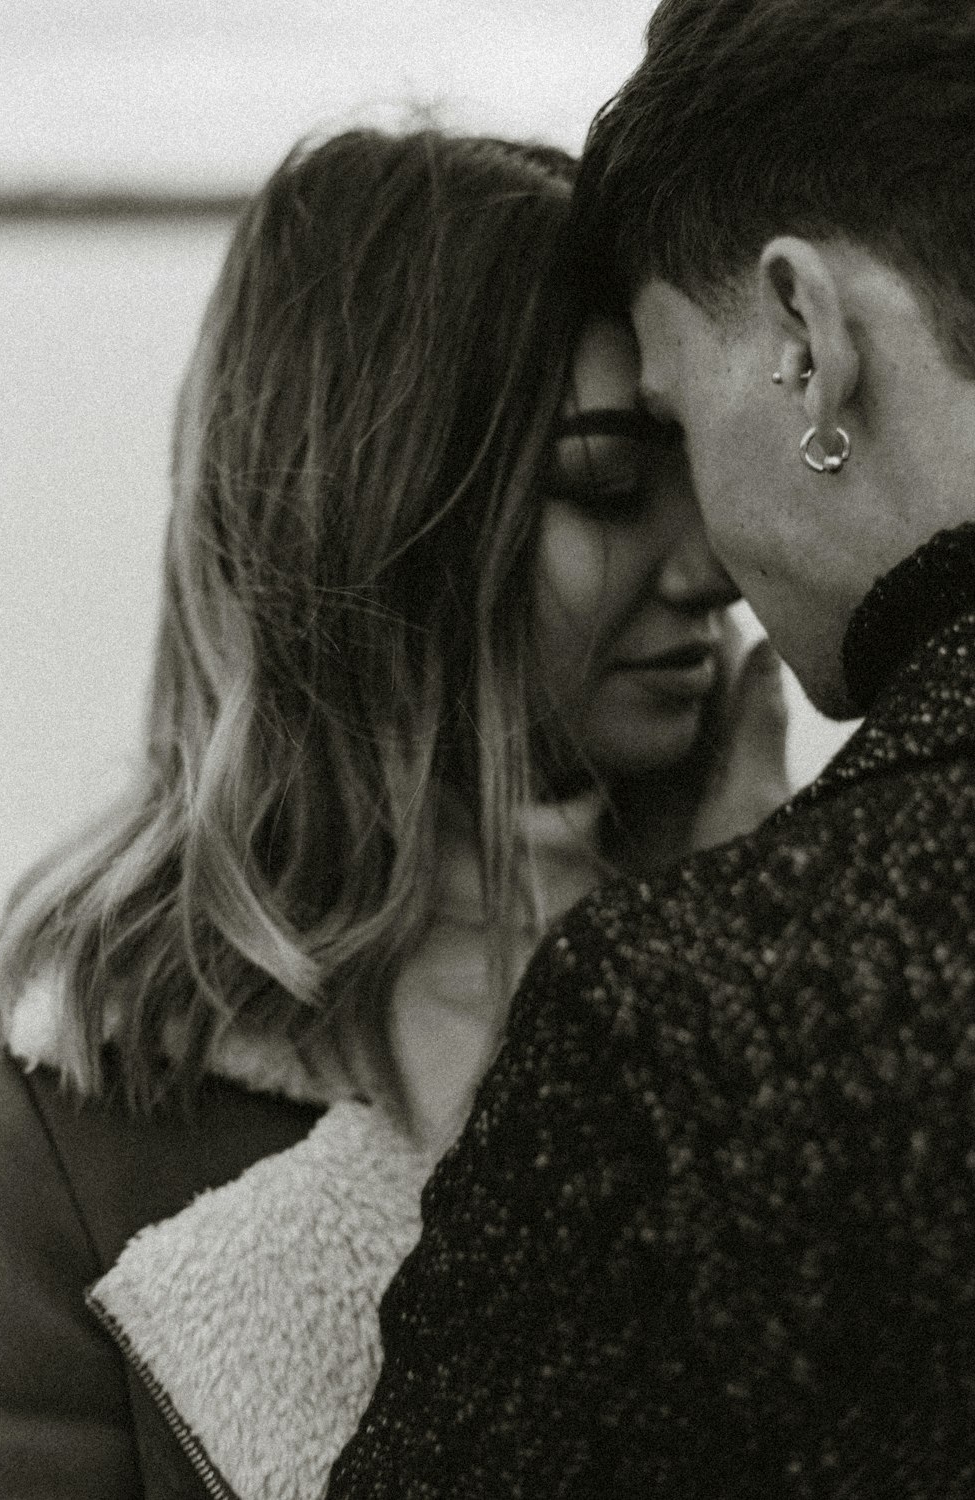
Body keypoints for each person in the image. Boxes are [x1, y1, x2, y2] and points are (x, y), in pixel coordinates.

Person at [0, 126, 781, 1499]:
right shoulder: (61, 1128)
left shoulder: (796, 960)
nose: (714, 568)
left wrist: (737, 973)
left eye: (704, 469)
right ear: (384, 519)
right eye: (605, 483)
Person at [325, 4, 975, 1497]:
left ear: (810, 342)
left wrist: (745, 925)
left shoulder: (700, 1017)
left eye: (675, 430)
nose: (715, 563)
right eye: (625, 477)